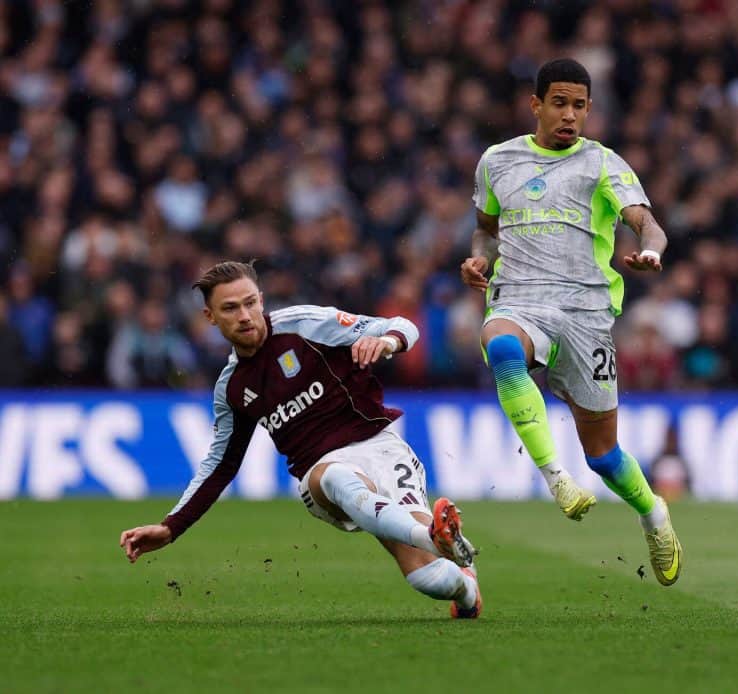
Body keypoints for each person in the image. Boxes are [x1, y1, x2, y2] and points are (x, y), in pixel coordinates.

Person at [119, 261, 482, 618]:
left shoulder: (306, 324)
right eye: (230, 308)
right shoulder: (232, 389)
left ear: (261, 300)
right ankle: (434, 537)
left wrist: (386, 342)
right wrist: (170, 528)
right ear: (210, 317)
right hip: (319, 474)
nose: (244, 315)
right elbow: (219, 466)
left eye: (249, 303)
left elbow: (403, 326)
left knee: (426, 575)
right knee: (338, 477)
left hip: (381, 446)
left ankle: (466, 587)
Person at [459, 58, 682, 586]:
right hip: (520, 299)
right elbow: (485, 231)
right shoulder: (497, 161)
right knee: (502, 347)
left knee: (604, 456)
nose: (570, 115)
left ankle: (654, 514)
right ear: (535, 104)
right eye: (559, 103)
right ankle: (557, 478)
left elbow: (646, 223)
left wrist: (651, 251)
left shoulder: (602, 163)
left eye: (579, 105)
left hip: (586, 313)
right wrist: (479, 259)